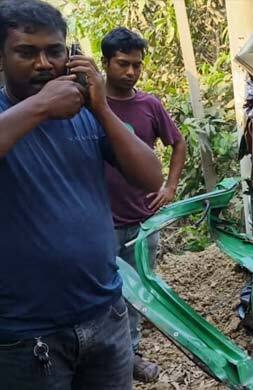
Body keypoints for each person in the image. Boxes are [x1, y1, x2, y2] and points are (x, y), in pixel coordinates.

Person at [0, 1, 163, 389]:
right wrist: (40, 107)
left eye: (54, 51)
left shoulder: (86, 111)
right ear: (1, 57)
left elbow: (150, 176)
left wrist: (103, 108)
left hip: (106, 316)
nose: (44, 63)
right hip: (26, 335)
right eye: (26, 52)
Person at [101, 27, 186, 383]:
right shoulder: (89, 104)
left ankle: (131, 353)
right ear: (105, 63)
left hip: (143, 220)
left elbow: (178, 143)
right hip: (101, 222)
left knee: (136, 292)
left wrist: (169, 187)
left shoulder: (149, 105)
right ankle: (104, 354)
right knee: (103, 293)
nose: (131, 72)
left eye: (137, 65)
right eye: (123, 64)